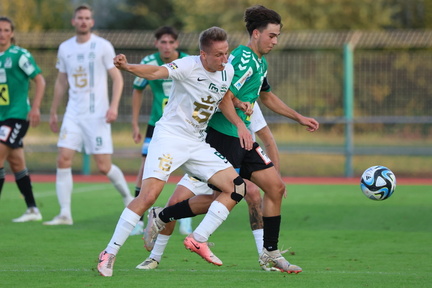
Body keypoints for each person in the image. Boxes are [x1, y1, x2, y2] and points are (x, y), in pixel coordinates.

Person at [144, 5, 319, 273]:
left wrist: (299, 117)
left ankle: (270, 252)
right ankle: (171, 221)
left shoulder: (260, 62)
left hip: (242, 137)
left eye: (277, 36)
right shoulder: (241, 59)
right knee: (226, 196)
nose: (275, 41)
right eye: (272, 36)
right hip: (223, 136)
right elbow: (224, 91)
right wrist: (239, 116)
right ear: (257, 33)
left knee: (275, 187)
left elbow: (266, 95)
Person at [97, 26, 251, 277]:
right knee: (148, 197)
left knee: (236, 187)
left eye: (226, 53)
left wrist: (239, 120)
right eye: (218, 55)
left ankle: (198, 238)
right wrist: (127, 67)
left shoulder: (227, 69)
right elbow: (157, 71)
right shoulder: (188, 65)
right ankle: (109, 252)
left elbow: (223, 98)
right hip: (170, 138)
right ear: (203, 54)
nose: (225, 60)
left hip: (197, 142)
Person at [137, 103, 279, 270]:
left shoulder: (251, 101)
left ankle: (264, 256)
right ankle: (154, 256)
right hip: (204, 159)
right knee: (176, 201)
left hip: (230, 166)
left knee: (253, 194)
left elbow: (267, 135)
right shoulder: (215, 97)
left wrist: (275, 176)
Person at [43, 4, 133, 226]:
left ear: (92, 22)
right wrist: (54, 110)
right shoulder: (65, 48)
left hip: (97, 116)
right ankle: (65, 213)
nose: (83, 21)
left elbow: (118, 78)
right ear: (74, 21)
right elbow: (62, 80)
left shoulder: (102, 46)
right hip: (73, 114)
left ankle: (129, 198)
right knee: (63, 158)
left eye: (87, 18)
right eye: (79, 18)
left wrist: (113, 106)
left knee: (103, 166)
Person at [130, 26, 191, 236]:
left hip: (185, 125)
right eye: (163, 42)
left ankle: (185, 219)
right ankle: (138, 220)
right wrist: (135, 123)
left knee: (192, 169)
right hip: (157, 125)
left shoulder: (188, 62)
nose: (167, 46)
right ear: (156, 44)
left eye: (170, 42)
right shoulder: (148, 63)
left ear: (176, 44)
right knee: (145, 167)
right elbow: (137, 90)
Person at [0, 17, 45, 222]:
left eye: (6, 30)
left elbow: (39, 80)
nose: (2, 33)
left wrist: (34, 108)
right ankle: (33, 209)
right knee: (16, 163)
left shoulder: (19, 55)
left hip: (17, 116)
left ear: (12, 33)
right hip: (2, 117)